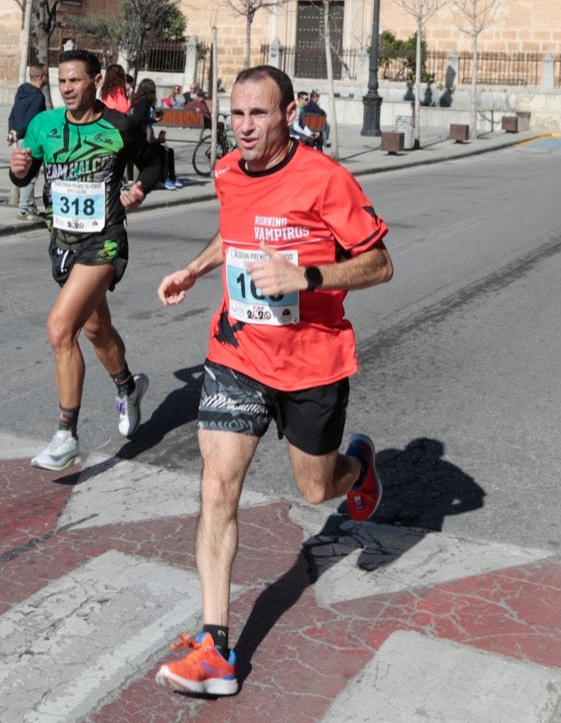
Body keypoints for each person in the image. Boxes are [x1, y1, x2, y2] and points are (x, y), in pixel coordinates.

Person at [152, 64, 392, 698]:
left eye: (259, 114)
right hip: (238, 351)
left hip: (313, 359)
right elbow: (236, 234)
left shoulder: (326, 178)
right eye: (236, 114)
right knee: (216, 488)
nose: (245, 127)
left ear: (288, 114)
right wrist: (197, 268)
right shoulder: (228, 170)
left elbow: (379, 262)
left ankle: (359, 468)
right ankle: (216, 645)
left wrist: (307, 277)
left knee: (316, 489)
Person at [9, 50, 162, 471]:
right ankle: (128, 387)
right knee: (96, 329)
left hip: (105, 240)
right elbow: (27, 173)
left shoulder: (119, 126)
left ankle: (66, 434)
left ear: (95, 81)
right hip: (63, 242)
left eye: (75, 80)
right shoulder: (43, 126)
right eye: (61, 82)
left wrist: (139, 190)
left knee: (60, 330)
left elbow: (154, 163)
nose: (67, 89)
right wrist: (18, 168)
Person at [8, 62, 50, 219]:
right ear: (40, 77)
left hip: (18, 137)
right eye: (46, 75)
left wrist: (13, 134)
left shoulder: (22, 91)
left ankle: (30, 206)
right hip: (31, 139)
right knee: (30, 175)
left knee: (23, 172)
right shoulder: (38, 97)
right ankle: (24, 209)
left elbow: (13, 114)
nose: (47, 78)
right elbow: (33, 121)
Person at [132, 77, 182, 189]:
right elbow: (139, 118)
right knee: (164, 152)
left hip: (147, 136)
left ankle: (171, 177)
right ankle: (164, 179)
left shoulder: (142, 101)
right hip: (143, 139)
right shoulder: (144, 101)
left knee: (168, 151)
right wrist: (153, 120)